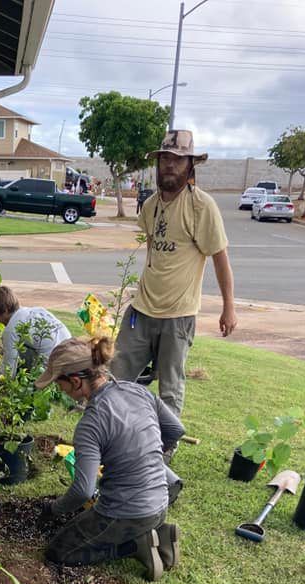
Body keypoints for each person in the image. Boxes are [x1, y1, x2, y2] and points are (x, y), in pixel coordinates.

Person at [111, 130, 238, 433]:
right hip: (140, 310)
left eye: (178, 160)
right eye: (165, 159)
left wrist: (228, 308)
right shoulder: (152, 205)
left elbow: (220, 258)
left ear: (190, 165)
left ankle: (164, 448)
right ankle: (112, 432)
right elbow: (153, 249)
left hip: (178, 315)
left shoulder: (201, 207)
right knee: (116, 375)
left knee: (170, 387)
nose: (170, 165)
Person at [35, 337, 184, 579]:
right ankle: (155, 532)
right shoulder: (138, 391)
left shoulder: (90, 424)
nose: (58, 389)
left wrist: (53, 509)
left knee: (58, 552)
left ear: (74, 381)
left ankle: (136, 544)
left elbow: (83, 491)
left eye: (58, 383)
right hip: (160, 501)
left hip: (127, 514)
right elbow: (176, 430)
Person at [0, 286, 71, 375]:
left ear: (5, 310)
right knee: (23, 345)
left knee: (18, 347)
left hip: (53, 372)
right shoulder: (37, 311)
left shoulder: (11, 330)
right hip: (72, 358)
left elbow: (8, 374)